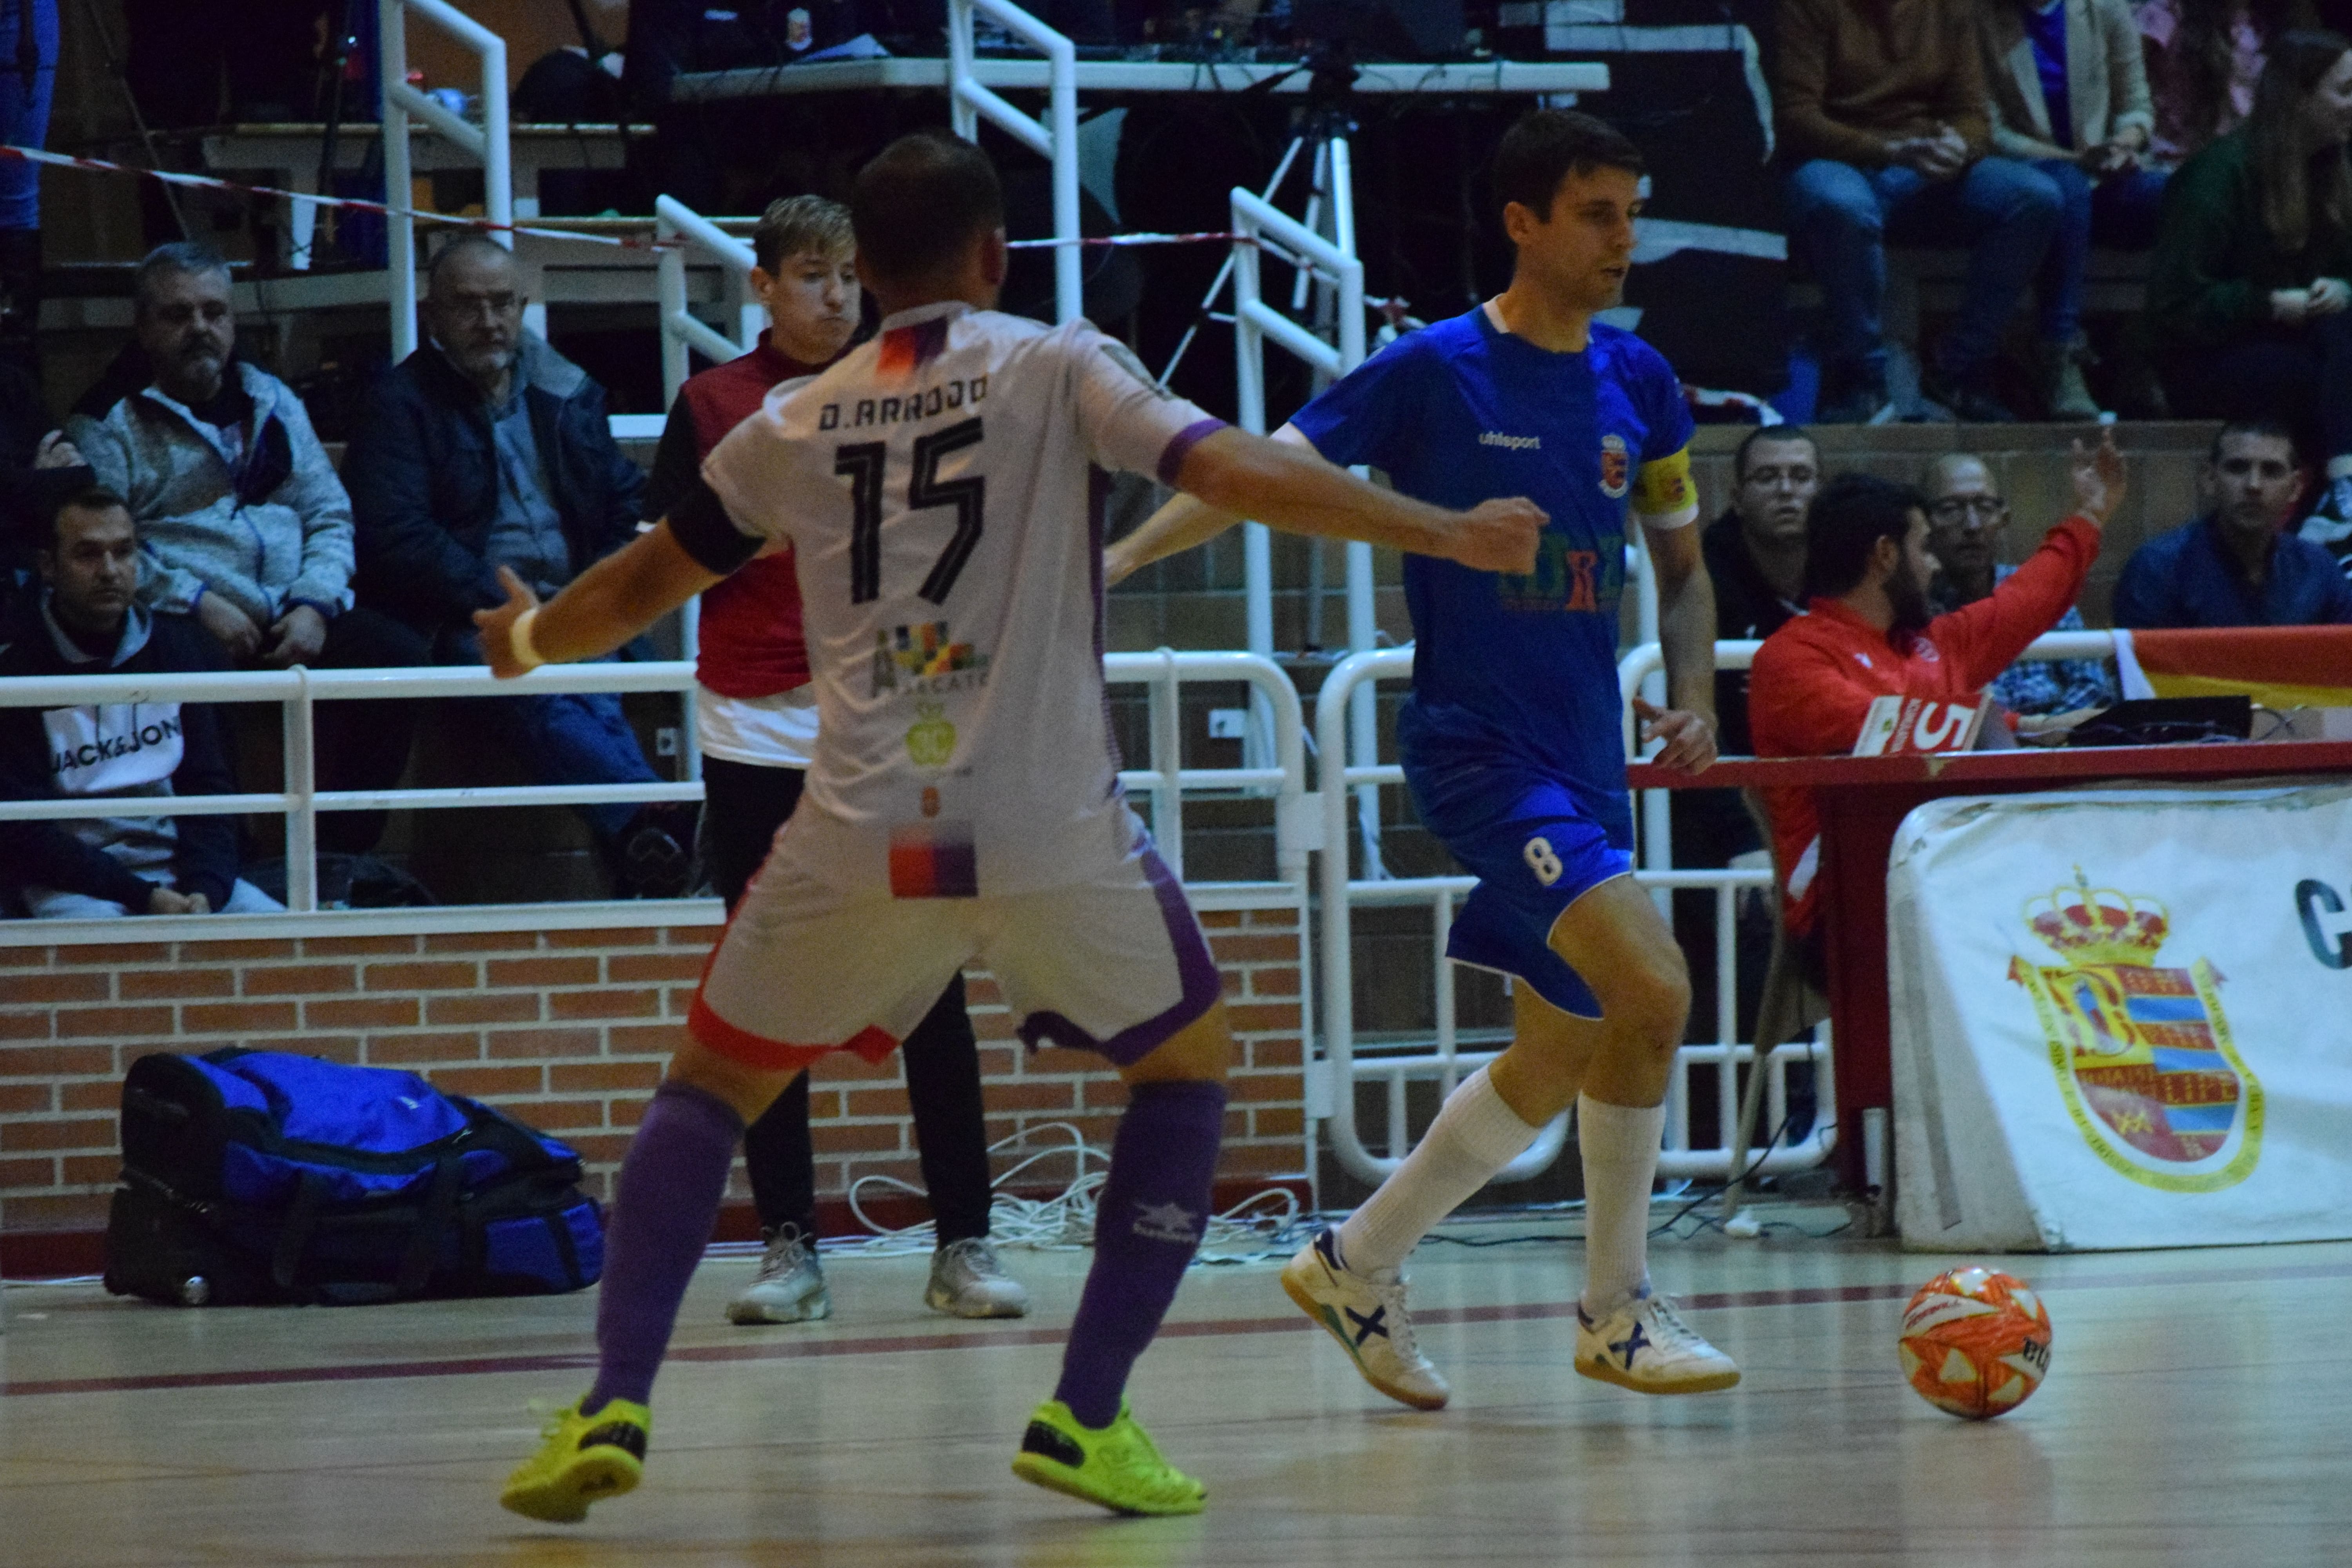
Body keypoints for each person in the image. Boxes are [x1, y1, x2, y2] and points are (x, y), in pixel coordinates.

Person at [486, 129, 1543, 1523]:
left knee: (706, 1088)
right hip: (1050, 823)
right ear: (994, 254)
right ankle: (1086, 1413)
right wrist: (1440, 530)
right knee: (1183, 1071)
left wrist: (528, 642)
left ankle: (613, 1398)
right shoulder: (1056, 362)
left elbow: (638, 586)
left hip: (860, 828)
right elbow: (1227, 471)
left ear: (862, 272)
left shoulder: (790, 420)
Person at [1111, 110, 1735, 1412]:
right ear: (1523, 223)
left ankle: (1355, 1262)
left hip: (1587, 759)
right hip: (1479, 752)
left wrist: (1692, 696)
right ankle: (1616, 1312)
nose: (1625, 239)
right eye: (1598, 215)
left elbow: (1683, 571)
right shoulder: (1433, 370)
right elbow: (1250, 473)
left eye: (1633, 213)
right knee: (1655, 990)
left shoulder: (1644, 382)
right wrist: (1114, 562)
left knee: (1559, 1047)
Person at [641, 194, 1027, 1325]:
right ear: (761, 287)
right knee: (767, 989)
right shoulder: (713, 405)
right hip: (754, 723)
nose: (834, 296)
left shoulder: (914, 388)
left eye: (848, 275)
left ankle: (965, 1244)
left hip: (895, 716)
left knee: (934, 978)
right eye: (811, 275)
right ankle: (789, 1249)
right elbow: (671, 547)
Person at [345, 235, 693, 896]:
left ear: (523, 307)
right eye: (468, 305)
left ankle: (645, 841)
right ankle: (658, 819)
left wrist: (599, 585)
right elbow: (396, 536)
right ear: (432, 316)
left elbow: (627, 500)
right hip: (464, 614)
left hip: (573, 597)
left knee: (590, 673)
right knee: (537, 684)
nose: (489, 321)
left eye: (503, 303)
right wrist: (513, 604)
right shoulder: (399, 403)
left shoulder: (566, 390)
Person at [67, 242, 426, 856]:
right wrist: (197, 601)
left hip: (292, 606)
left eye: (215, 313)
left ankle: (340, 857)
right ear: (144, 326)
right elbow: (109, 551)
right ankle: (227, 861)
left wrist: (315, 603)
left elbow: (329, 513)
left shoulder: (273, 399)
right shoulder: (106, 421)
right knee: (191, 671)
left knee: (401, 657)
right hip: (183, 614)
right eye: (178, 315)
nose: (200, 329)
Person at [1749, 434, 2125, 947]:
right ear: (1886, 556)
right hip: (1841, 908)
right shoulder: (1791, 658)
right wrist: (2006, 723)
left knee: (2083, 900)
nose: (1935, 565)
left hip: (1950, 880)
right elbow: (1884, 729)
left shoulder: (1933, 642)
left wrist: (2091, 515)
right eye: (1924, 548)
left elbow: (2029, 598)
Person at [0, 485, 281, 918]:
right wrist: (140, 895)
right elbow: (25, 833)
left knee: (275, 932)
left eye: (124, 552)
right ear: (49, 567)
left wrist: (205, 889)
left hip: (182, 877)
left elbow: (210, 793)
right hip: (72, 885)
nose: (110, 571)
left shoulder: (182, 650)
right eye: (88, 555)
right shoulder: (15, 667)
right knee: (105, 942)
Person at [1777, 0, 2063, 422]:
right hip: (1836, 158)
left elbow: (1971, 114)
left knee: (2034, 196)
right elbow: (1796, 117)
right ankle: (1865, 376)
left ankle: (1959, 368)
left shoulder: (1951, 7)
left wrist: (1958, 148)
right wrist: (1888, 151)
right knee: (1842, 205)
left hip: (1923, 163)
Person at [2144, 30, 2352, 520]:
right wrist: (2269, 304)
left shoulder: (2336, 175)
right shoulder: (2218, 175)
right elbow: (2176, 306)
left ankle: (2338, 491)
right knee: (2312, 380)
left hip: (2309, 345)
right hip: (2208, 357)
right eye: (2345, 91)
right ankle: (2335, 497)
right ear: (2299, 97)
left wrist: (2344, 288)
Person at [1982, 0, 2167, 416]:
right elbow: (1992, 129)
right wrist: (2073, 161)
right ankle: (2058, 352)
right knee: (2066, 188)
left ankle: (2147, 351)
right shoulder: (1980, 18)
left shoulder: (2105, 9)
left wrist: (2124, 144)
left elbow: (2136, 105)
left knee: (2170, 194)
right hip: (2031, 174)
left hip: (2105, 174)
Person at [1924, 452, 2120, 712]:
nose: (1973, 525)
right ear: (1923, 524)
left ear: (2004, 518)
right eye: (1950, 510)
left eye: (1985, 507)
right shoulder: (1914, 612)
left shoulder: (2037, 589)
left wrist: (2048, 730)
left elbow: (2094, 686)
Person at [2114, 420, 2352, 622]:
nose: (2254, 485)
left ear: (2296, 487)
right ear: (2210, 479)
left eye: (2271, 471)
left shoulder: (2319, 569)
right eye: (2237, 468)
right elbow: (2139, 663)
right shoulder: (2157, 569)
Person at [2137, 0, 2317, 168]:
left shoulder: (2272, 20)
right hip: (2174, 158)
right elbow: (2132, 84)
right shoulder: (2168, 13)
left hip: (2246, 155)